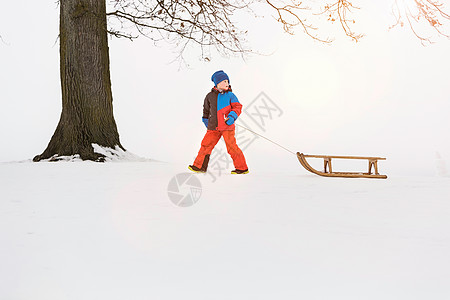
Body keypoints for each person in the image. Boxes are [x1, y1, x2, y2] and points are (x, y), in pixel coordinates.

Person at [188, 70, 249, 174]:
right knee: (205, 146)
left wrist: (231, 117)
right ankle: (200, 167)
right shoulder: (209, 96)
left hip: (227, 127)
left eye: (227, 81)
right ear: (217, 83)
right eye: (224, 81)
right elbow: (206, 111)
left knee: (232, 147)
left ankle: (242, 168)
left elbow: (237, 107)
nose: (227, 83)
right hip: (213, 127)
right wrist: (206, 122)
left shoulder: (230, 95)